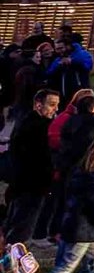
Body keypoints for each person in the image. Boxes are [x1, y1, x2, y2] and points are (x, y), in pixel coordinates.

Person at [4, 89, 58, 244]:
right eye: (52, 104)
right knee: (21, 229)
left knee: (15, 224)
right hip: (32, 185)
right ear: (38, 105)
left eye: (57, 105)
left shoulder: (26, 122)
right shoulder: (39, 127)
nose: (55, 109)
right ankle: (12, 254)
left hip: (23, 184)